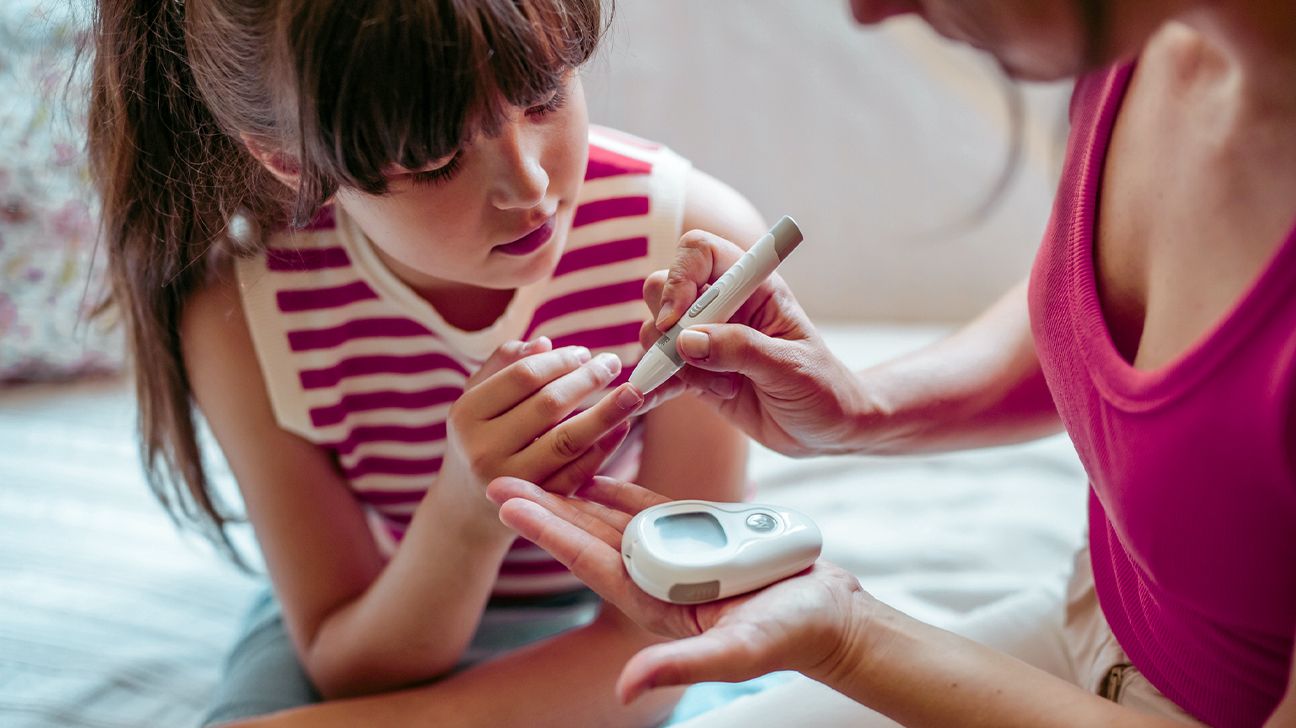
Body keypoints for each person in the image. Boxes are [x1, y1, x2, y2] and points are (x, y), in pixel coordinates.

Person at [487, 0, 1296, 725]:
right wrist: (860, 408)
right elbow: (1123, 318)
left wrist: (847, 638)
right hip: (1091, 620)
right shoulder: (1147, 33)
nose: (870, 13)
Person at [87, 0, 763, 725]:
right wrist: (466, 517)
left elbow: (663, 635)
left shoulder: (689, 244)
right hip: (385, 616)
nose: (530, 186)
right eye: (438, 159)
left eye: (542, 97)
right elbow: (348, 662)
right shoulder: (245, 317)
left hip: (604, 630)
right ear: (289, 161)